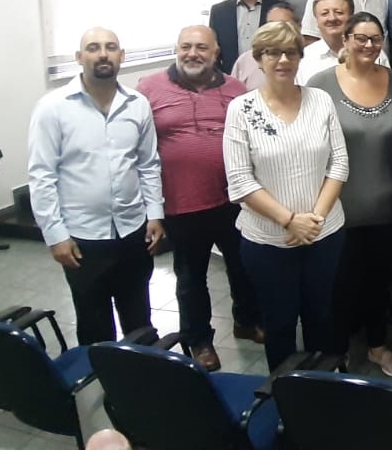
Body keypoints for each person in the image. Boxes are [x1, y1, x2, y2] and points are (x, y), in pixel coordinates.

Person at [223, 21, 349, 369]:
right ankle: (285, 393)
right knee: (278, 324)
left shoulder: (320, 100)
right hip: (267, 242)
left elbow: (339, 164)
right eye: (272, 52)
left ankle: (321, 391)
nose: (282, 59)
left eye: (290, 52)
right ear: (259, 59)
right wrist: (290, 221)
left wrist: (314, 221)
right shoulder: (241, 110)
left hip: (324, 235)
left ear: (299, 57)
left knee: (320, 318)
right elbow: (239, 180)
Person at [27, 28, 165, 345]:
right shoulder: (53, 107)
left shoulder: (138, 104)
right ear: (79, 58)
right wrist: (55, 234)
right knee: (94, 322)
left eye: (110, 47)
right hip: (82, 238)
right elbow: (42, 175)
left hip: (133, 231)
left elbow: (148, 163)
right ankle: (104, 383)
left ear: (121, 56)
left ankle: (143, 384)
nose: (102, 53)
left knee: (139, 319)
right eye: (93, 48)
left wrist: (155, 214)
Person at [136, 26, 262, 370]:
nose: (194, 53)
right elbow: (138, 150)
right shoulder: (149, 89)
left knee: (243, 268)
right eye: (186, 46)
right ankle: (199, 340)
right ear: (176, 49)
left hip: (233, 200)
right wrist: (152, 211)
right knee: (191, 278)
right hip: (180, 203)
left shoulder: (236, 90)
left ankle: (246, 321)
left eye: (202, 47)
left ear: (216, 51)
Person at [306, 12, 392, 377]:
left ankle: (379, 347)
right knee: (338, 285)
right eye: (360, 38)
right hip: (337, 207)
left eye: (375, 39)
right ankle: (336, 354)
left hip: (387, 206)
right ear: (345, 40)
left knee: (379, 283)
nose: (368, 45)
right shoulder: (320, 84)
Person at [209, 0, 279, 73]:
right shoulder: (219, 11)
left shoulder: (277, 9)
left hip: (269, 78)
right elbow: (213, 50)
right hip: (230, 80)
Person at [297, 0, 359, 84]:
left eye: (339, 12)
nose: (332, 18)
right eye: (324, 13)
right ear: (316, 20)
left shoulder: (371, 52)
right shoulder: (304, 59)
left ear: (351, 17)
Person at [232, 2, 297, 90]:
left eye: (283, 24)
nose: (277, 29)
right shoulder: (246, 60)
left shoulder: (307, 56)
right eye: (271, 24)